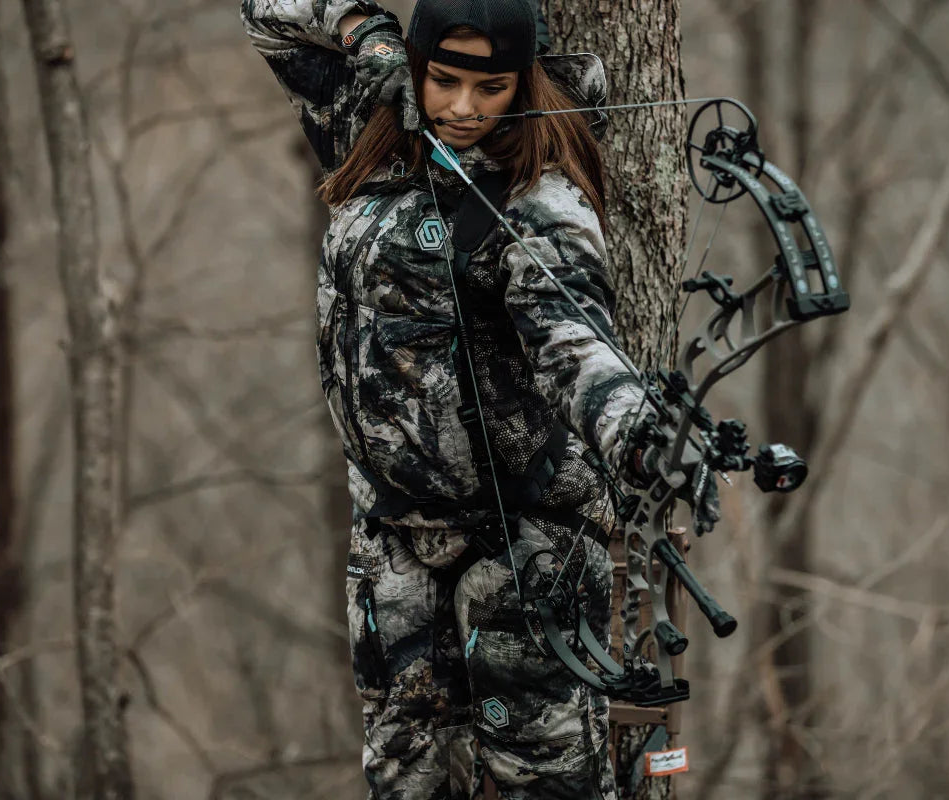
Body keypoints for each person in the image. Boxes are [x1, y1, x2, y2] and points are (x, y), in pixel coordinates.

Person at [240, 1, 654, 797]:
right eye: (446, 80)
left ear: (522, 85)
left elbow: (577, 344)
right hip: (394, 536)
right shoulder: (366, 119)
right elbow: (268, 11)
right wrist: (368, 34)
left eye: (492, 87)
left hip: (523, 545)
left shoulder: (540, 197)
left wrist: (638, 429)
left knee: (544, 783)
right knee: (403, 780)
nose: (465, 108)